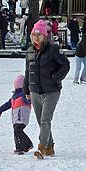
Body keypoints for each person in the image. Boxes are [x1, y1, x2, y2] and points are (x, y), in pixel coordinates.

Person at [24, 19, 70, 159]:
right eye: (33, 35)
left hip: (51, 91)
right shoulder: (30, 51)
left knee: (45, 120)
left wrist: (56, 78)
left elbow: (65, 65)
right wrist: (26, 90)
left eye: (38, 35)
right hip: (35, 91)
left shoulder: (54, 49)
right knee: (40, 121)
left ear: (44, 36)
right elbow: (28, 72)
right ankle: (50, 148)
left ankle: (42, 147)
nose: (35, 37)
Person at [0, 74, 34, 155]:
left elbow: (29, 100)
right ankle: (24, 146)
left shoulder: (25, 94)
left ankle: (22, 147)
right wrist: (0, 110)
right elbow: (8, 104)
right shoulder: (14, 96)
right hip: (17, 117)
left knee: (18, 130)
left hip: (21, 116)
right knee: (17, 131)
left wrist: (29, 99)